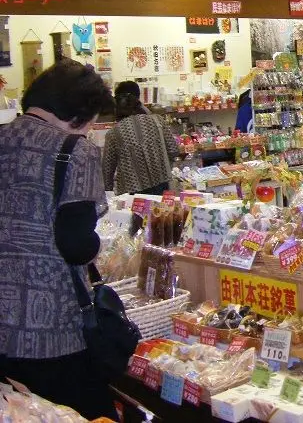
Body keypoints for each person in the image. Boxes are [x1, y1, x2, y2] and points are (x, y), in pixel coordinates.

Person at [0, 60, 119, 420]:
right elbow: (75, 244)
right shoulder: (74, 150)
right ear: (79, 115)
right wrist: (103, 248)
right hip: (52, 327)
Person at [103, 81, 179, 195]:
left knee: (135, 213)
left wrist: (108, 192)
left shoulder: (113, 133)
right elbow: (173, 150)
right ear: (138, 100)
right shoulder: (157, 121)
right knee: (161, 212)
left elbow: (107, 169)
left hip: (131, 190)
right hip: (161, 183)